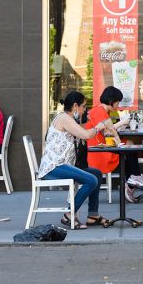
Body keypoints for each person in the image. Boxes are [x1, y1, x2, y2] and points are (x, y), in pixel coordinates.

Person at [38, 91, 113, 229]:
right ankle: (69, 214)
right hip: (54, 168)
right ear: (75, 106)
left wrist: (90, 122)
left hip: (64, 165)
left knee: (96, 173)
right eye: (83, 106)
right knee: (91, 180)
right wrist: (98, 127)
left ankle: (93, 215)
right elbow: (85, 135)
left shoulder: (70, 119)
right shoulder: (64, 118)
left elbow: (81, 131)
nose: (85, 109)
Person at [83, 87, 133, 196]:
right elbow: (107, 131)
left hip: (100, 146)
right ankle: (130, 180)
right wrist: (122, 122)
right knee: (129, 147)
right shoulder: (100, 111)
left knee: (129, 144)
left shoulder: (99, 109)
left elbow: (106, 130)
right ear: (112, 101)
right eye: (118, 102)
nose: (118, 105)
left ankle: (130, 179)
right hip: (98, 151)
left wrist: (120, 126)